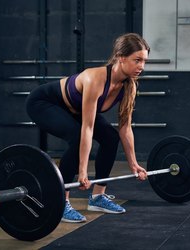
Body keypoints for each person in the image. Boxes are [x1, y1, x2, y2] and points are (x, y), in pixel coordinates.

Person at [26, 33, 150, 223]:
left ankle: (98, 197)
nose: (142, 66)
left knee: (110, 136)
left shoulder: (128, 86)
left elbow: (125, 128)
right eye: (137, 60)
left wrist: (133, 163)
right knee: (77, 136)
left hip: (73, 109)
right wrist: (83, 171)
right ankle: (61, 202)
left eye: (144, 61)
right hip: (44, 103)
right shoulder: (95, 79)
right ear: (120, 57)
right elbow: (87, 128)